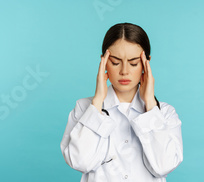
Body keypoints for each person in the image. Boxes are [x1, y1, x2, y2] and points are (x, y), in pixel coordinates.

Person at [60, 23, 183, 182]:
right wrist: (97, 102)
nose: (124, 71)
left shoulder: (165, 113)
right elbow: (80, 162)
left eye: (133, 63)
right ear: (103, 61)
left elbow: (164, 166)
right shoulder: (84, 108)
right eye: (115, 62)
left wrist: (150, 105)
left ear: (146, 63)